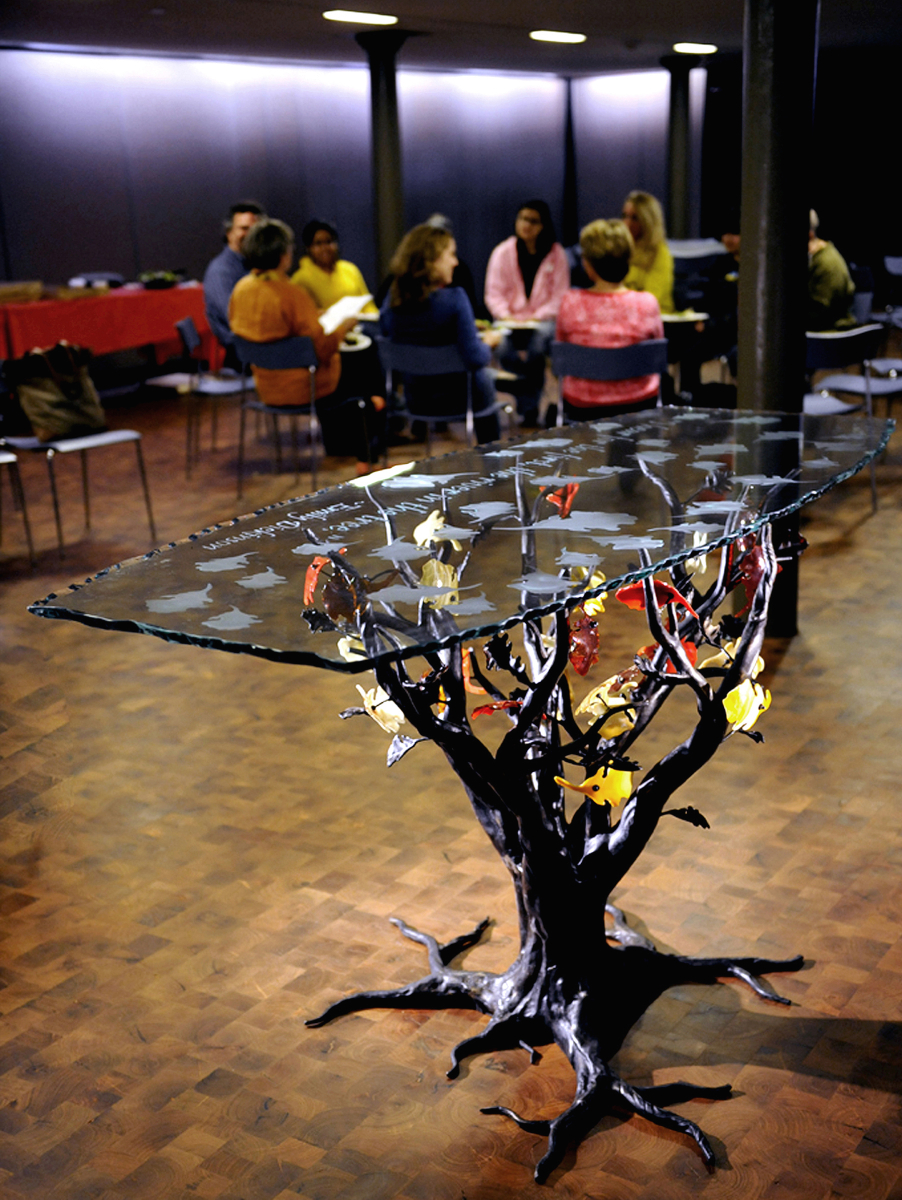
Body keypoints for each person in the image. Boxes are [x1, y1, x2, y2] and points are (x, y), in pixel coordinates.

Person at [228, 219, 382, 475]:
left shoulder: (241, 290)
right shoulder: (291, 293)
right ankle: (370, 455)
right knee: (368, 366)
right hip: (308, 387)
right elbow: (321, 349)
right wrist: (343, 327)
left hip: (267, 388)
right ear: (283, 255)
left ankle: (342, 445)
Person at [380, 223, 502, 444]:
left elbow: (389, 337)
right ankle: (494, 466)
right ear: (432, 260)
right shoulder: (455, 300)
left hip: (416, 401)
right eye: (451, 254)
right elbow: (476, 358)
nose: (456, 262)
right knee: (485, 377)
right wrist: (489, 343)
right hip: (461, 400)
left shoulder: (392, 301)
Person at [555, 219, 664, 418]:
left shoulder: (569, 302)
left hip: (583, 405)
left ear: (588, 264)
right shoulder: (648, 303)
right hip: (639, 402)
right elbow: (655, 353)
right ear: (629, 258)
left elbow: (561, 352)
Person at [484, 200, 570, 426]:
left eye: (533, 221)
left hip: (542, 320)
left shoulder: (556, 253)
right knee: (502, 346)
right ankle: (527, 396)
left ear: (543, 225)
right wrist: (506, 316)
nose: (526, 225)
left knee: (539, 343)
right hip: (509, 319)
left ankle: (528, 404)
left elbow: (560, 296)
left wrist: (537, 316)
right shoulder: (503, 252)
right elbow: (493, 294)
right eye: (522, 218)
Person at [203, 201, 266, 366]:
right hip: (242, 357)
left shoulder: (257, 264)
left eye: (256, 230)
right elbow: (235, 318)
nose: (251, 234)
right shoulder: (221, 271)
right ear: (229, 233)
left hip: (260, 345)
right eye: (244, 228)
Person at [290, 220, 378, 314]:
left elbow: (368, 305)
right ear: (308, 248)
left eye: (329, 242)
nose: (325, 248)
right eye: (318, 243)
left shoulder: (350, 269)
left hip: (361, 325)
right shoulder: (301, 278)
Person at [621, 191, 675, 314]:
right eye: (625, 216)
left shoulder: (660, 253)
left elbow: (652, 300)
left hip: (656, 319)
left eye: (634, 218)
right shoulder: (620, 249)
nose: (627, 223)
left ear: (648, 221)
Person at [808, 210, 856, 330]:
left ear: (810, 235)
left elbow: (818, 312)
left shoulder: (827, 263)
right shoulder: (818, 258)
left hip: (829, 337)